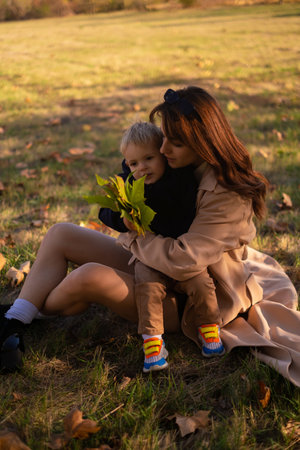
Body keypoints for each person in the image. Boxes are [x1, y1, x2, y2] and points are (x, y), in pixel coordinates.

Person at [0, 87, 299, 388]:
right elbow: (129, 171)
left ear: (202, 143)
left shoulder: (227, 193)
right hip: (154, 264)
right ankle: (15, 320)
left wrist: (133, 234)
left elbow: (184, 261)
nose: (164, 149)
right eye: (164, 137)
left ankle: (35, 309)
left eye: (175, 142)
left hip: (192, 296)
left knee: (88, 277)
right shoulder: (172, 159)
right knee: (61, 232)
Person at [99, 121, 224, 374]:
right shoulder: (129, 183)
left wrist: (149, 214)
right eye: (133, 164)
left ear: (163, 155)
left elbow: (181, 220)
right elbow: (104, 210)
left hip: (181, 254)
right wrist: (121, 221)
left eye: (148, 158)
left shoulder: (180, 181)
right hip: (150, 256)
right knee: (146, 287)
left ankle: (209, 327)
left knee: (202, 284)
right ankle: (153, 343)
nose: (141, 168)